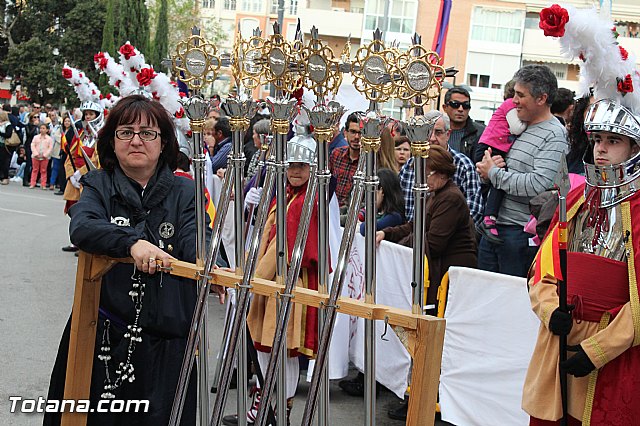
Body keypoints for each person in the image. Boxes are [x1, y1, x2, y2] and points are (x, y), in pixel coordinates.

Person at [43, 95, 220, 425]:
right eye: (125, 132)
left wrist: (209, 260)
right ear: (112, 140)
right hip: (104, 334)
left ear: (163, 141)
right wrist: (132, 243)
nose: (136, 140)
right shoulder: (98, 184)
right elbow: (83, 227)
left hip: (168, 337)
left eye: (147, 133)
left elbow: (197, 239)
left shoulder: (187, 192)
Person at [523, 98, 640, 425]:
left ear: (635, 148)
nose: (601, 149)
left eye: (613, 140)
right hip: (559, 342)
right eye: (597, 139)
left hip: (614, 354)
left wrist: (598, 349)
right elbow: (542, 273)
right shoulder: (575, 201)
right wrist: (550, 311)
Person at [241, 134, 320, 425]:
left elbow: (283, 250)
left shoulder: (304, 200)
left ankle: (277, 408)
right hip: (269, 281)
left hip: (288, 282)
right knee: (266, 345)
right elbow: (266, 236)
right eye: (291, 165)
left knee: (282, 349)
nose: (295, 170)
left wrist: (253, 279)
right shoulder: (286, 194)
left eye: (302, 165)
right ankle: (264, 400)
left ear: (313, 167)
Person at [476, 65, 567, 278]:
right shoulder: (517, 125)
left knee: (511, 303)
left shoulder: (554, 135)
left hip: (519, 234)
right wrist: (487, 171)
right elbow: (504, 169)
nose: (513, 101)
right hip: (493, 228)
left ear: (541, 99)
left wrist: (494, 175)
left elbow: (538, 184)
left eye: (520, 95)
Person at [378, 144, 477, 309]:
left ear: (442, 173)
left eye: (426, 174)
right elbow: (414, 226)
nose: (422, 179)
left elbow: (433, 243)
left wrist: (399, 248)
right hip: (441, 269)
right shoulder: (435, 194)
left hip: (452, 274)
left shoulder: (450, 198)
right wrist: (386, 234)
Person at [399, 110, 484, 229]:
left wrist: (443, 233)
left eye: (438, 132)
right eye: (428, 132)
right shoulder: (410, 166)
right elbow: (399, 208)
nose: (432, 138)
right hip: (411, 237)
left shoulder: (464, 166)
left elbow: (474, 211)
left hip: (449, 239)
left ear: (448, 134)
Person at [476, 80, 528, 244]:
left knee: (498, 180)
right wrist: (531, 122)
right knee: (500, 177)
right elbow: (516, 128)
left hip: (494, 147)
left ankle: (489, 218)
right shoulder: (508, 106)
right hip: (489, 147)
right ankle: (489, 218)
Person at [442, 86, 486, 161]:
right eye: (455, 104)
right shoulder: (435, 131)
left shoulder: (482, 133)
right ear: (445, 107)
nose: (460, 109)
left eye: (465, 105)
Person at [359, 167, 405, 236]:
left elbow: (366, 229)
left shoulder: (394, 217)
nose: (369, 197)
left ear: (382, 191)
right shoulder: (378, 212)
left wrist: (360, 224)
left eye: (373, 191)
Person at [329, 112, 362, 207]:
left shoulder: (368, 163)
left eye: (360, 133)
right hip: (332, 209)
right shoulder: (336, 154)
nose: (356, 137)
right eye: (353, 132)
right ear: (345, 133)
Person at [30, 123, 53, 189]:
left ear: (47, 130)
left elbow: (50, 148)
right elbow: (32, 145)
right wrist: (35, 153)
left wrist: (45, 155)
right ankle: (32, 183)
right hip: (35, 156)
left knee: (43, 170)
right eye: (41, 128)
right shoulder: (36, 137)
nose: (42, 130)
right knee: (35, 170)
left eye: (44, 128)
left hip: (44, 157)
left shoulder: (49, 139)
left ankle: (43, 184)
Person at [0, 110, 15, 185]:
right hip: (0, 144)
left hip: (5, 145)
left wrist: (1, 133)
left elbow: (8, 134)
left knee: (4, 161)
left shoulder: (8, 124)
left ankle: (5, 177)